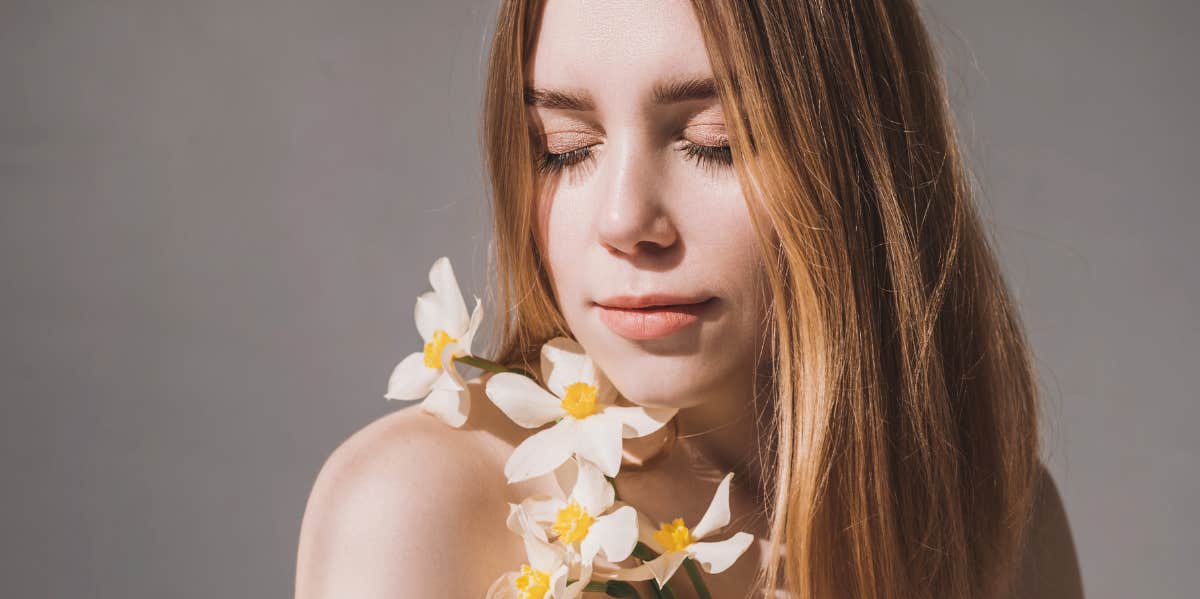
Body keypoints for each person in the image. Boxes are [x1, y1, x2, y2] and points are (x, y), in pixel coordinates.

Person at [294, 0, 1085, 597]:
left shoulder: (998, 518)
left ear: (859, 164)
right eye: (564, 150)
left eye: (717, 140)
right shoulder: (412, 506)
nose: (623, 220)